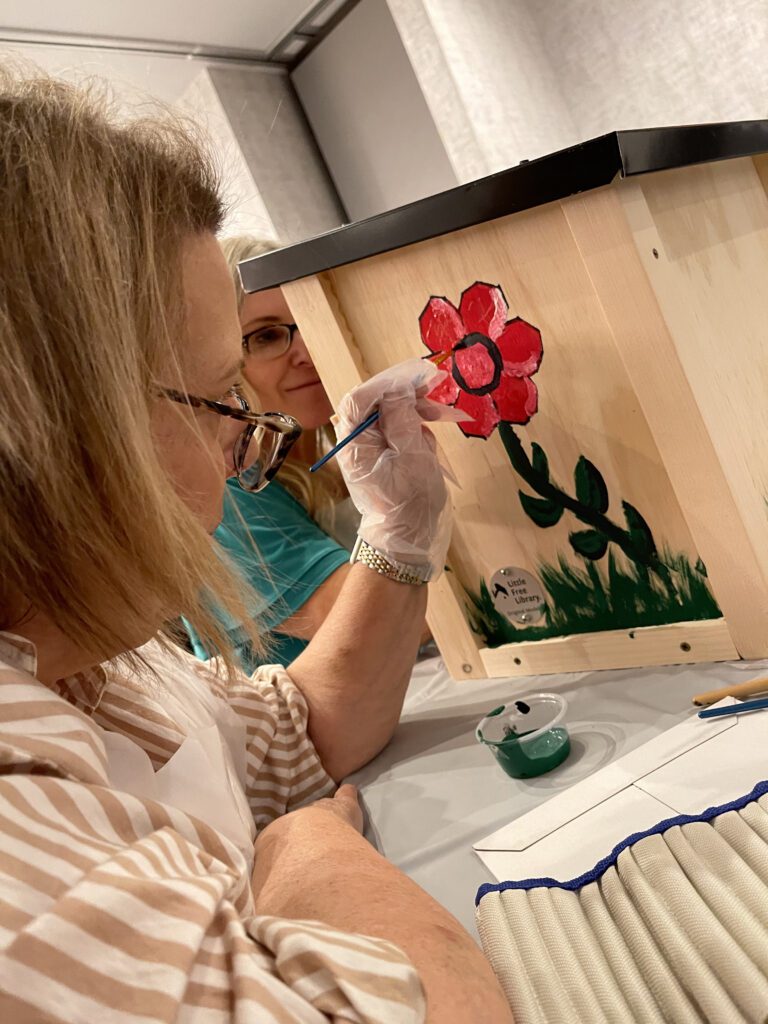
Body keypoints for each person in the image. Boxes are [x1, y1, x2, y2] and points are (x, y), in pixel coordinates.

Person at [0, 70, 513, 1024]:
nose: (245, 440)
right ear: (55, 427)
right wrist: (305, 856)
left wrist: (399, 541)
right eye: (216, 398)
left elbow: (294, 731)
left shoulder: (100, 653)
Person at [184, 235, 361, 670]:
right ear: (217, 359)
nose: (305, 352)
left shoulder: (329, 462)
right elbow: (364, 620)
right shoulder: (229, 487)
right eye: (265, 336)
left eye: (310, 319)